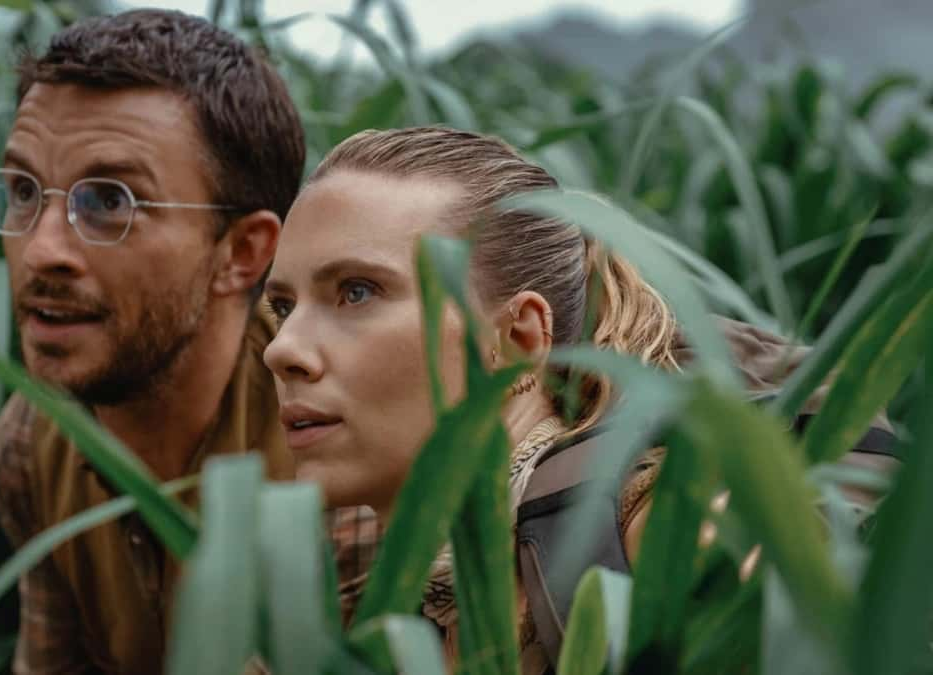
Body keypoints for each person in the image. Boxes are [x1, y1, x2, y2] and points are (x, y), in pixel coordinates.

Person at [261, 126, 899, 672]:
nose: (282, 349)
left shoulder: (676, 543)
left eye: (357, 292)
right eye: (284, 305)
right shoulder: (349, 589)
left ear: (518, 340)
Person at [0, 10, 306, 673]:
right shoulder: (31, 443)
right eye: (22, 191)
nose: (41, 250)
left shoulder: (332, 465)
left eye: (108, 202)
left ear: (242, 253)